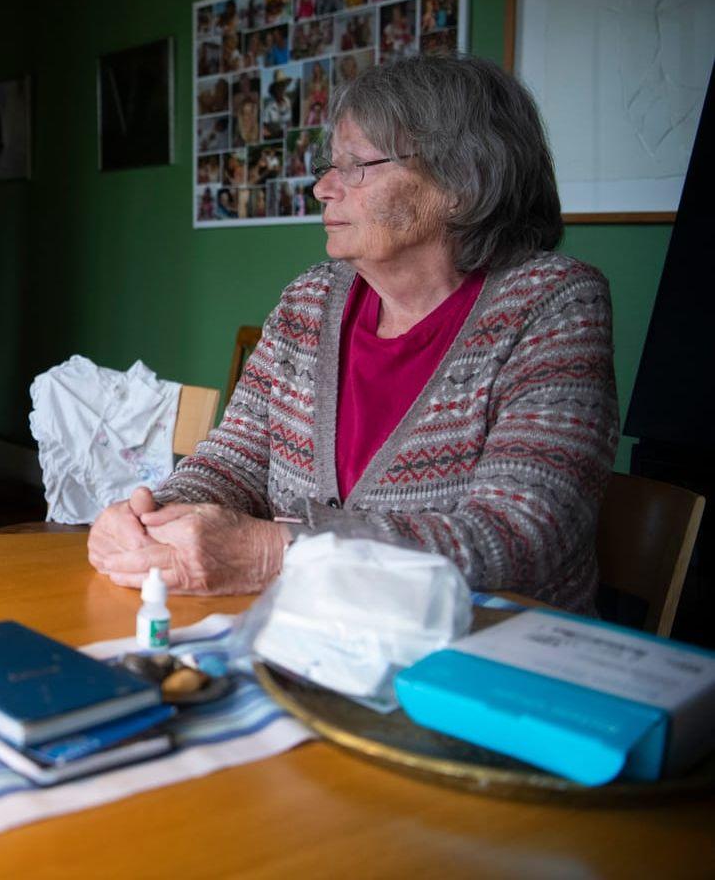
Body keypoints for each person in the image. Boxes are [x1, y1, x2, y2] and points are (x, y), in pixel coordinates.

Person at [87, 55, 617, 614]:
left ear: (460, 182)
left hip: (486, 656)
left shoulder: (553, 303)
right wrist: (152, 518)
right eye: (327, 165)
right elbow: (236, 459)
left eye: (356, 165)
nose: (322, 189)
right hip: (319, 638)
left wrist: (276, 554)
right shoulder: (309, 301)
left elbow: (518, 536)